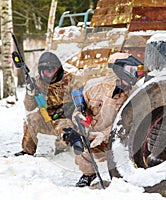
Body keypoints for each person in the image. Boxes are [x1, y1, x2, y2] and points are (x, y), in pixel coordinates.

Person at [62, 52, 144, 187]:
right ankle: (88, 174)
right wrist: (79, 117)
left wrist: (105, 135)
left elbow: (131, 124)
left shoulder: (135, 94)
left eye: (135, 70)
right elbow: (79, 110)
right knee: (81, 143)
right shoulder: (93, 87)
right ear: (117, 70)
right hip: (95, 136)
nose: (134, 74)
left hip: (123, 139)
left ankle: (126, 177)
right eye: (130, 70)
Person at [14, 51, 77, 156]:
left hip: (65, 119)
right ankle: (27, 151)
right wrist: (30, 93)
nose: (48, 74)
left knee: (66, 131)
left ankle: (62, 150)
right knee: (31, 119)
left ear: (58, 69)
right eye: (44, 71)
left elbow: (80, 101)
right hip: (46, 118)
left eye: (51, 70)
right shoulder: (37, 82)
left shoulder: (70, 80)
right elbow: (29, 107)